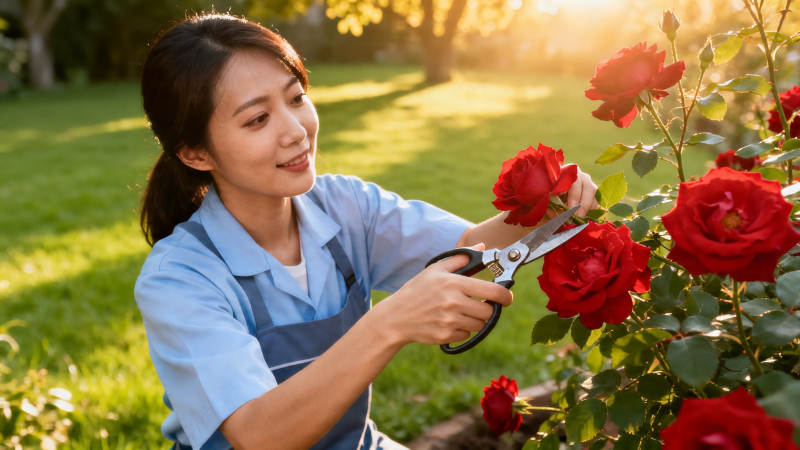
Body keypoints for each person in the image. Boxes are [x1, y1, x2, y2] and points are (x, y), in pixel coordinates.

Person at [134, 13, 598, 450]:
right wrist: (389, 323)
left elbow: (467, 249)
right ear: (196, 153)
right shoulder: (178, 279)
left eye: (296, 98)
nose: (296, 130)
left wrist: (548, 209)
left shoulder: (345, 205)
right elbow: (259, 435)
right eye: (258, 119)